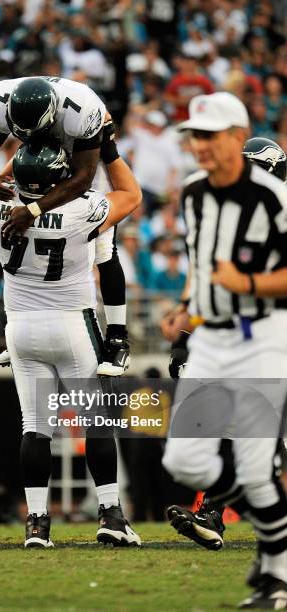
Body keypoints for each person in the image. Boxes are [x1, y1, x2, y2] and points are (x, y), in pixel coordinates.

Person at [0, 126, 142, 548]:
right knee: (97, 422)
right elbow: (131, 194)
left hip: (20, 328)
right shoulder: (84, 208)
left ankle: (37, 523)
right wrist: (102, 146)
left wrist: (9, 154)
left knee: (35, 427)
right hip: (71, 323)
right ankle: (110, 514)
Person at [160, 92, 287, 609]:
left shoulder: (276, 199)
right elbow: (200, 266)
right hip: (211, 336)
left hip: (262, 336)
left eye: (210, 135)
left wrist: (249, 281)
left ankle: (276, 576)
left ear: (237, 136)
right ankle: (247, 531)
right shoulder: (192, 193)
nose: (200, 145)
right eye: (195, 135)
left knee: (259, 468)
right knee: (185, 460)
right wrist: (186, 313)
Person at [0, 76, 130, 377]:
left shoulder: (81, 109)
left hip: (77, 160)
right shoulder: (0, 100)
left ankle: (117, 336)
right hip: (33, 163)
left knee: (103, 248)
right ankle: (23, 329)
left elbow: (83, 176)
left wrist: (32, 209)